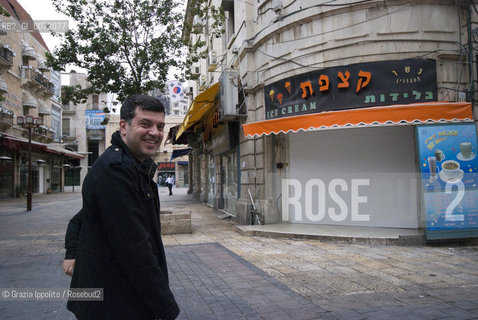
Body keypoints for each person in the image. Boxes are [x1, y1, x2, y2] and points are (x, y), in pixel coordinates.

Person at [65, 95, 180, 320]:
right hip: (114, 303)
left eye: (160, 126)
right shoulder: (116, 171)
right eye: (145, 124)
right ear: (123, 127)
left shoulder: (134, 167)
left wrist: (71, 253)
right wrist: (167, 308)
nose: (155, 132)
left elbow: (82, 217)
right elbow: (135, 250)